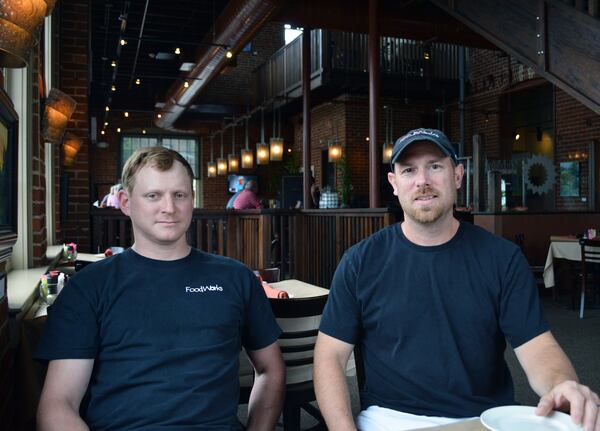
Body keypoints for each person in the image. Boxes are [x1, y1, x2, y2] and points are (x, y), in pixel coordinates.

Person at [314, 128, 600, 431]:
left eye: (435, 166)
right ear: (394, 184)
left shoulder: (502, 259)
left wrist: (562, 383)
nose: (422, 181)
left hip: (484, 420)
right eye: (409, 170)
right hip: (391, 420)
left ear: (458, 175)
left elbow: (538, 347)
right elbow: (329, 356)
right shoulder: (360, 262)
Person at [36, 147, 285, 430]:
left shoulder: (235, 277)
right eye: (153, 195)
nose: (169, 207)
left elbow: (271, 369)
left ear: (192, 200)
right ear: (126, 203)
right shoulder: (88, 287)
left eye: (179, 195)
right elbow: (58, 404)